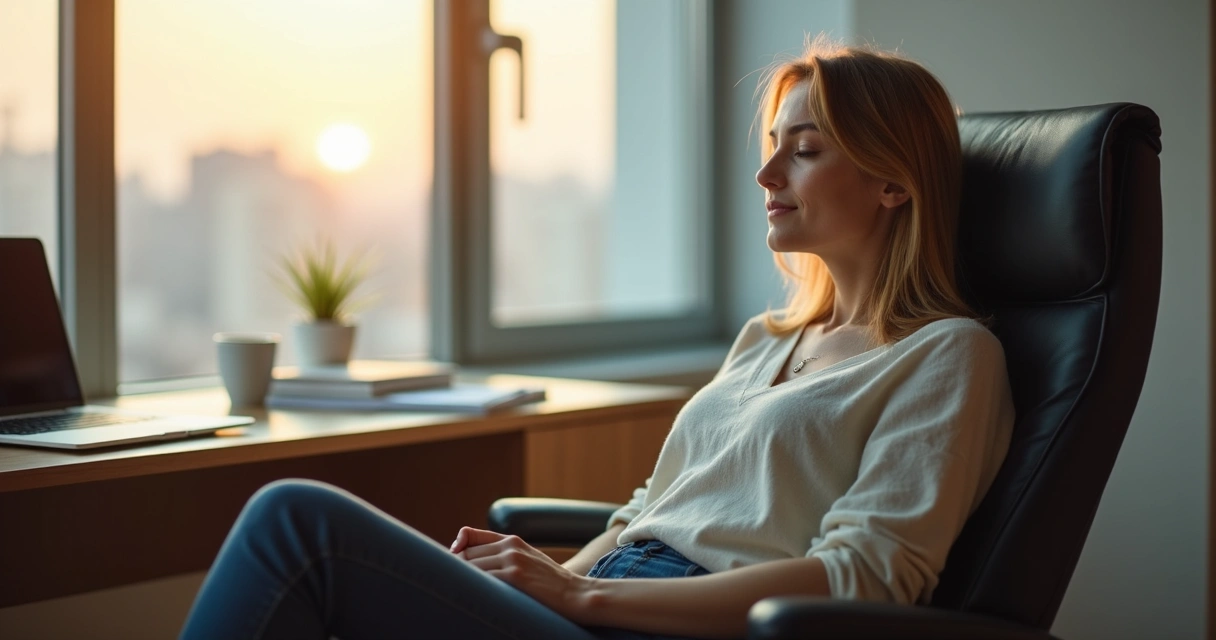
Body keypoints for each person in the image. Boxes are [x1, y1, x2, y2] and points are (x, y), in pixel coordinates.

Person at [179, 37, 1014, 640]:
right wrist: (542, 581)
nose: (767, 176)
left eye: (805, 151)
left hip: (673, 624)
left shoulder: (946, 356)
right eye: (772, 149)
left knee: (298, 524)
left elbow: (864, 579)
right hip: (605, 602)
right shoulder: (765, 339)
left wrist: (580, 600)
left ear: (892, 183)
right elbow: (648, 515)